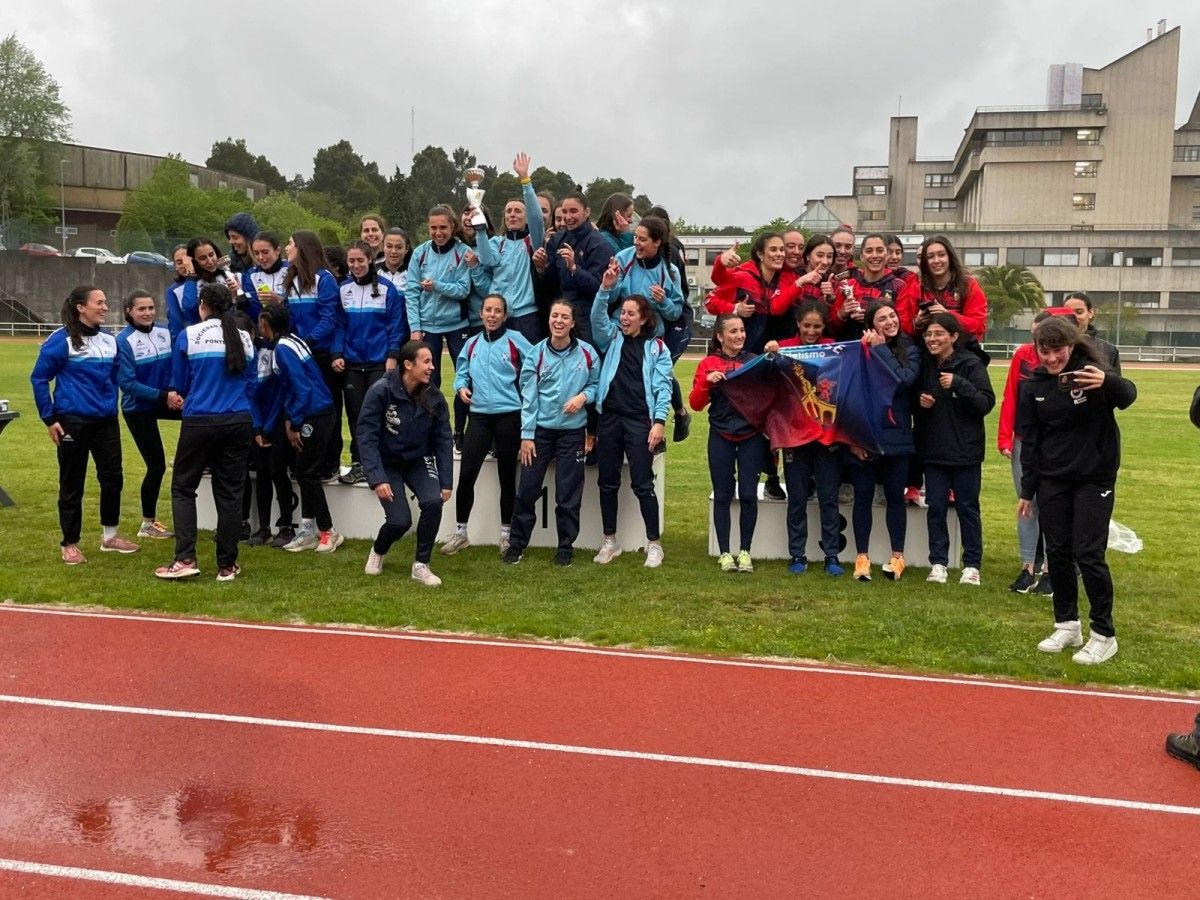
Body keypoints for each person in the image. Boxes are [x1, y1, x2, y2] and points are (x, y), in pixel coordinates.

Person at [1017, 315, 1136, 665]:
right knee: (1057, 553)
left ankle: (1104, 633)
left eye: (1058, 351)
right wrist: (1028, 490)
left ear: (1071, 347)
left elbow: (1128, 396)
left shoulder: (1092, 374)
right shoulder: (1034, 385)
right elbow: (1032, 441)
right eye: (1045, 351)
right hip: (1053, 479)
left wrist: (1109, 381)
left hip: (1094, 478)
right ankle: (1067, 624)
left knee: (1089, 554)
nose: (1051, 359)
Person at [31, 286, 140, 564]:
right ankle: (69, 543)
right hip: (72, 422)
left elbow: (116, 377)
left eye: (106, 302)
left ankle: (110, 536)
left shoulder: (110, 340)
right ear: (81, 307)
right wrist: (50, 418)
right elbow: (39, 378)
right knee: (72, 483)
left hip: (106, 421)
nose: (105, 307)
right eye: (99, 303)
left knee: (113, 478)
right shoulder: (61, 339)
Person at [155, 283, 255, 581]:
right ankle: (227, 564)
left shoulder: (190, 335)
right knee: (231, 493)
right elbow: (252, 383)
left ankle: (185, 558)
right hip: (238, 420)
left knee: (184, 488)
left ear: (203, 305)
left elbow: (180, 382)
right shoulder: (245, 337)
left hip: (200, 419)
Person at [501, 300, 599, 567]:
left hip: (572, 434)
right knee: (527, 490)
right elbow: (529, 398)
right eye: (554, 315)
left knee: (568, 494)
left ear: (572, 322)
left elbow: (597, 385)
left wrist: (583, 397)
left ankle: (565, 547)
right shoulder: (536, 354)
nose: (559, 321)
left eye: (564, 316)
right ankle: (517, 545)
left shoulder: (587, 353)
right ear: (549, 320)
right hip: (540, 434)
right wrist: (527, 435)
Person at [592, 266, 672, 567]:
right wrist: (605, 288)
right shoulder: (612, 340)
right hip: (609, 419)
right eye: (622, 312)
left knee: (642, 484)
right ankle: (610, 541)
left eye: (629, 313)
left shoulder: (657, 349)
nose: (623, 318)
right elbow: (597, 318)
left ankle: (654, 544)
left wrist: (659, 422)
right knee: (607, 482)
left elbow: (663, 386)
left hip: (640, 422)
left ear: (644, 318)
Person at [357, 340, 453, 586]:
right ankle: (378, 551)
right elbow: (366, 437)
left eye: (432, 361)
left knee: (433, 502)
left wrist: (446, 481)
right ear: (408, 364)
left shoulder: (434, 396)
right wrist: (377, 478)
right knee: (400, 521)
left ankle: (421, 565)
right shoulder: (380, 391)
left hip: (419, 460)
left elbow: (443, 440)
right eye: (427, 361)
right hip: (388, 464)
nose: (432, 367)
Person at [443, 294, 532, 557]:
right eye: (488, 310)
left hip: (509, 416)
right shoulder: (471, 344)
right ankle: (460, 533)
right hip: (479, 417)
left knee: (507, 476)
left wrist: (526, 395)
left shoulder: (516, 341)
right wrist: (460, 388)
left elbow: (535, 368)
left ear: (505, 315)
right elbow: (461, 374)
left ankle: (506, 535)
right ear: (481, 314)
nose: (492, 315)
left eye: (497, 311)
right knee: (467, 475)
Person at [997, 309, 1076, 594]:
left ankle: (1050, 569)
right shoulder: (1023, 356)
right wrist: (1005, 438)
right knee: (1026, 504)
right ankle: (1027, 567)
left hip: (1057, 445)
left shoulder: (1075, 361)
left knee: (1054, 507)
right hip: (1024, 440)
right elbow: (1011, 397)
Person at [764, 301, 845, 576]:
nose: (811, 331)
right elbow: (767, 375)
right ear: (798, 324)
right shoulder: (784, 346)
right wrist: (770, 353)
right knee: (797, 498)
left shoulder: (835, 348)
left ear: (824, 326)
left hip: (826, 435)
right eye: (807, 325)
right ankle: (797, 554)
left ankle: (832, 555)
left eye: (817, 326)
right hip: (795, 434)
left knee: (828, 498)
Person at [255, 303, 342, 554]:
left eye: (261, 322)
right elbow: (291, 389)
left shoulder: (282, 348)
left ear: (267, 323)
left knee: (307, 473)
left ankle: (328, 531)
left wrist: (294, 423)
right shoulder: (294, 340)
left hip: (315, 414)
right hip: (317, 412)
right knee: (305, 472)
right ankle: (307, 530)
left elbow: (302, 388)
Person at [914, 312, 994, 585]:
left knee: (967, 508)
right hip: (934, 450)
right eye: (928, 335)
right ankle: (938, 563)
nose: (933, 339)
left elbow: (985, 403)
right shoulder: (925, 364)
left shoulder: (971, 364)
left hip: (965, 451)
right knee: (935, 508)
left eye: (939, 334)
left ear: (954, 337)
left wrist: (959, 384)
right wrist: (920, 401)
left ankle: (972, 565)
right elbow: (912, 397)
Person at [848, 302, 919, 581]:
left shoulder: (910, 349)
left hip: (897, 435)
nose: (890, 321)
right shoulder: (859, 349)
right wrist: (854, 438)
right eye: (882, 318)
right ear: (871, 325)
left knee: (894, 497)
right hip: (866, 434)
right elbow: (850, 390)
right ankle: (862, 557)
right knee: (862, 497)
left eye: (892, 315)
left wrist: (879, 350)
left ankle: (897, 557)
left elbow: (902, 381)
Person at [690, 313, 764, 573]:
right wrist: (706, 384)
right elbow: (696, 405)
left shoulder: (755, 362)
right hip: (720, 435)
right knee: (722, 495)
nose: (739, 336)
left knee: (747, 495)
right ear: (720, 337)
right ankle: (724, 553)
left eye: (742, 330)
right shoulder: (709, 363)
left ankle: (745, 552)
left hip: (751, 437)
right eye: (732, 331)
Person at [335, 240, 409, 485]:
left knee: (381, 414)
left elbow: (395, 327)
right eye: (351, 261)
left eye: (360, 260)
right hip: (353, 363)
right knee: (356, 415)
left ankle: (384, 463)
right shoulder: (343, 288)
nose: (356, 265)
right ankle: (359, 463)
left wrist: (392, 355)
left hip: (379, 362)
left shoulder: (388, 289)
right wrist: (337, 354)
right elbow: (339, 326)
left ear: (369, 260)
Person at [116, 290, 179, 541]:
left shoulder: (165, 332)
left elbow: (177, 365)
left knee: (199, 415)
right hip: (138, 407)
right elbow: (128, 385)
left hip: (166, 398)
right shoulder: (123, 341)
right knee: (157, 465)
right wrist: (165, 396)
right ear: (129, 312)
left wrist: (174, 391)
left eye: (151, 308)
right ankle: (148, 524)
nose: (147, 313)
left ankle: (200, 458)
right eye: (141, 309)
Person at [282, 230, 344, 481]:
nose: (287, 248)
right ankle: (304, 462)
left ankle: (330, 462)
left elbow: (330, 318)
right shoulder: (292, 278)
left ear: (303, 248)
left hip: (320, 354)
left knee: (329, 410)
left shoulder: (324, 279)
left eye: (290, 244)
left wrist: (306, 342)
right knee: (302, 407)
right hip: (300, 353)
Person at [407, 205, 472, 441]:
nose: (438, 232)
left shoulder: (462, 252)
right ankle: (432, 430)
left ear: (452, 227)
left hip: (457, 324)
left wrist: (437, 285)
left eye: (443, 227)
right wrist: (415, 327)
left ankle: (460, 432)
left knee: (463, 378)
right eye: (433, 228)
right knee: (428, 380)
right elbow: (412, 293)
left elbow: (464, 290)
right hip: (428, 327)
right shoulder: (420, 253)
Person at [471, 152, 545, 343]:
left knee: (528, 367)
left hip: (526, 316)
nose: (512, 214)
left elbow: (537, 218)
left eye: (518, 211)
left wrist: (525, 181)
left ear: (525, 217)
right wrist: (480, 231)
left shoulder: (531, 241)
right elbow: (487, 260)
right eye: (509, 211)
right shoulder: (497, 242)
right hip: (499, 315)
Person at [246, 306, 297, 549]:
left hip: (275, 422)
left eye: (260, 323)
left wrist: (267, 427)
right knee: (262, 474)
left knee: (278, 471)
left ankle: (286, 525)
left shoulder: (279, 350)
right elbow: (249, 394)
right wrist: (256, 427)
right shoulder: (249, 354)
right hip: (258, 423)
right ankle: (263, 527)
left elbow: (281, 392)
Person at [644, 205, 694, 443]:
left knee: (659, 370)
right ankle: (679, 414)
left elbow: (673, 292)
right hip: (666, 316)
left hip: (677, 318)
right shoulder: (673, 246)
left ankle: (674, 417)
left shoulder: (669, 250)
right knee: (656, 369)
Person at [534, 191, 611, 346]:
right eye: (565, 212)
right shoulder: (556, 240)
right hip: (559, 320)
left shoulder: (600, 244)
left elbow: (599, 288)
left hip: (586, 321)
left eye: (574, 211)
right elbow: (549, 287)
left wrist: (574, 269)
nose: (568, 217)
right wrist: (542, 268)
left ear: (587, 212)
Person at [704, 232, 800, 355]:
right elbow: (709, 301)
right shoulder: (743, 276)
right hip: (729, 357)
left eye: (782, 250)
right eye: (773, 249)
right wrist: (735, 309)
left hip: (756, 357)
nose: (779, 254)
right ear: (760, 254)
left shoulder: (781, 281)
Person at [899, 235, 988, 341]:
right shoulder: (915, 287)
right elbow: (902, 326)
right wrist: (918, 322)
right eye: (930, 257)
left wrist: (948, 315)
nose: (936, 261)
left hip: (962, 349)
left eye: (941, 255)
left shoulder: (968, 285)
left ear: (950, 256)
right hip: (924, 349)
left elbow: (979, 326)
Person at [831, 233, 904, 341]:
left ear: (887, 254)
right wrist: (842, 314)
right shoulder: (846, 285)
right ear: (861, 256)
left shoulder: (899, 286)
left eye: (879, 250)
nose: (874, 255)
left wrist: (871, 319)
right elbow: (830, 328)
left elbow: (904, 326)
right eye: (869, 251)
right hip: (851, 350)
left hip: (884, 352)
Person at [1063, 291, 1121, 371]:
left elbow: (1116, 382)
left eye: (1079, 312)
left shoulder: (1109, 350)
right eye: (1069, 313)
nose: (1074, 317)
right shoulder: (1054, 348)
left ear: (1090, 313)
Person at [242, 231, 288, 309]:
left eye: (265, 252)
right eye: (256, 253)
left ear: (277, 250)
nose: (260, 257)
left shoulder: (291, 269)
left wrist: (280, 300)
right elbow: (253, 308)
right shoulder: (251, 275)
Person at [376, 227, 413, 295]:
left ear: (406, 248)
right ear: (382, 246)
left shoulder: (414, 274)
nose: (393, 251)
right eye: (389, 246)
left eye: (399, 247)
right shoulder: (373, 272)